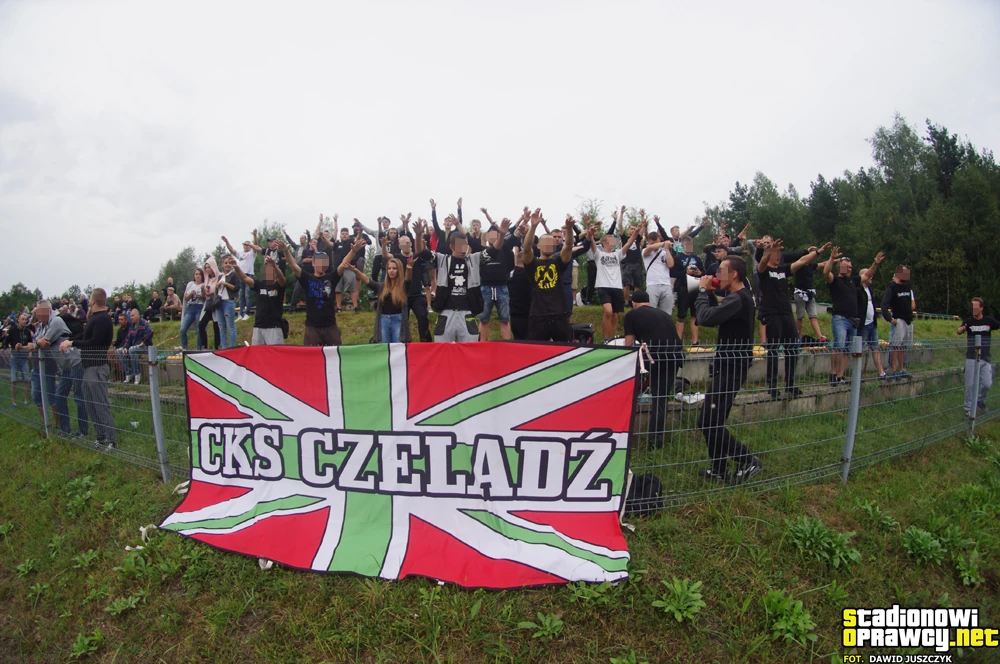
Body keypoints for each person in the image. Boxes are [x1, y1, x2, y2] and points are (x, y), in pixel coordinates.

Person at [694, 257, 762, 484]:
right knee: (713, 420)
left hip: (730, 369)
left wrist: (702, 292)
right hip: (729, 366)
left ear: (734, 274)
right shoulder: (739, 298)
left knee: (708, 421)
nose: (716, 274)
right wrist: (710, 294)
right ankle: (719, 469)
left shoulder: (738, 298)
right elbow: (718, 313)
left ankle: (747, 459)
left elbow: (705, 318)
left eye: (721, 271)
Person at [757, 240, 829, 399]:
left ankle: (790, 384)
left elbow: (802, 261)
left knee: (792, 349)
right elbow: (761, 263)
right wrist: (769, 250)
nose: (778, 257)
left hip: (787, 314)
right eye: (775, 254)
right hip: (772, 314)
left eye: (779, 254)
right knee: (773, 350)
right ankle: (772, 386)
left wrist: (817, 252)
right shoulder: (764, 271)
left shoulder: (783, 269)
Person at [419, 200, 496, 343]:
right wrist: (418, 235)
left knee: (471, 352)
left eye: (465, 245)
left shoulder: (474, 259)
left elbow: (494, 251)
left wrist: (501, 234)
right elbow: (421, 252)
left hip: (467, 313)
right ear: (451, 246)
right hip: (445, 312)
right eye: (460, 245)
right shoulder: (442, 259)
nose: (463, 248)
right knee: (441, 351)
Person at [623, 290, 683, 448]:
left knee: (638, 392)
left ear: (633, 303)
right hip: (675, 356)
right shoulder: (664, 314)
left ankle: (634, 436)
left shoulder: (631, 315)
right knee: (661, 399)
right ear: (649, 302)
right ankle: (656, 441)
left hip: (656, 357)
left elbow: (628, 346)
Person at [60, 288, 116, 447]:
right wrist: (69, 341)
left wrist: (72, 343)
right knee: (91, 405)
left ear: (92, 301)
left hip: (97, 367)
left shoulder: (103, 319)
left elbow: (94, 342)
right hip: (88, 367)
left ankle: (111, 440)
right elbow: (85, 337)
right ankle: (101, 436)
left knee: (100, 405)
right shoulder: (94, 318)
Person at [283, 237, 361, 346]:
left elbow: (343, 263)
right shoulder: (307, 278)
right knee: (310, 355)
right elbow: (294, 266)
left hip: (330, 326)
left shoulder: (331, 278)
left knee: (335, 353)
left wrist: (353, 251)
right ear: (313, 263)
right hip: (312, 327)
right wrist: (286, 251)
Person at [34, 300, 89, 437]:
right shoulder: (43, 325)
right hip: (65, 366)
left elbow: (44, 343)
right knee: (59, 396)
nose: (36, 315)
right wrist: (37, 343)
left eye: (38, 311)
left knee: (78, 396)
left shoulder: (56, 322)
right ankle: (65, 430)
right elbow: (36, 340)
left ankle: (83, 431)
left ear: (46, 310)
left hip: (75, 361)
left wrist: (38, 343)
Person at [522, 212, 574, 341]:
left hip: (559, 313)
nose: (548, 245)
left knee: (565, 349)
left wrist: (569, 229)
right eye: (545, 242)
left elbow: (568, 246)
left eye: (551, 243)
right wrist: (533, 226)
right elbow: (526, 248)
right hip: (538, 315)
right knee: (537, 350)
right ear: (538, 245)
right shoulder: (533, 263)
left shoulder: (558, 262)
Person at [347, 244, 410, 343]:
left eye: (394, 268)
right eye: (389, 268)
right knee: (384, 347)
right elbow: (367, 280)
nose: (391, 271)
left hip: (398, 320)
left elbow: (409, 278)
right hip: (383, 320)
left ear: (399, 270)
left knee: (398, 347)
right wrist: (355, 270)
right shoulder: (381, 287)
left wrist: (409, 267)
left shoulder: (404, 286)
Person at [592, 219, 643, 341]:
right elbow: (591, 242)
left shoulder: (617, 254)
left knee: (615, 315)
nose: (614, 241)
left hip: (617, 287)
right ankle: (605, 339)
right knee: (608, 312)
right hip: (604, 286)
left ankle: (611, 340)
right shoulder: (599, 254)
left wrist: (636, 232)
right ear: (605, 242)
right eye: (612, 239)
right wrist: (590, 229)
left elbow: (629, 243)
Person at [476, 210, 516, 341]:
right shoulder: (482, 251)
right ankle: (482, 344)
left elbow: (514, 236)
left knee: (505, 319)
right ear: (487, 237)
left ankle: (506, 345)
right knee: (483, 319)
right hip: (485, 287)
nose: (493, 237)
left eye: (496, 235)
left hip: (502, 287)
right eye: (491, 235)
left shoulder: (505, 249)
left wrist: (523, 220)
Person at [824, 247, 861, 385]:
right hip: (840, 318)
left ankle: (841, 376)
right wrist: (832, 258)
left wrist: (875, 264)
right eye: (847, 266)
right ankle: (833, 374)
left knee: (847, 349)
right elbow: (826, 272)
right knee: (838, 346)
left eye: (851, 267)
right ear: (840, 267)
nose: (849, 269)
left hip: (853, 319)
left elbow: (867, 275)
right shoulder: (834, 280)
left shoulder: (852, 281)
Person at [958, 297, 1000, 418]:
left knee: (987, 384)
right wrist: (961, 329)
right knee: (970, 385)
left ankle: (980, 401)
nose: (974, 309)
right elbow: (959, 330)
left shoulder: (989, 321)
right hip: (972, 357)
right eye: (973, 307)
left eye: (976, 307)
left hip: (985, 358)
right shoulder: (968, 322)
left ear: (981, 308)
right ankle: (968, 410)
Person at [233, 253, 286, 346]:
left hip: (274, 327)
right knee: (257, 354)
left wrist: (274, 266)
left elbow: (282, 278)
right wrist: (236, 267)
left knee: (274, 354)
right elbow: (244, 278)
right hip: (258, 326)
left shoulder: (278, 285)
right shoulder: (259, 285)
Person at [882, 266, 916, 378]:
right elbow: (884, 305)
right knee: (896, 345)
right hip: (898, 320)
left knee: (903, 346)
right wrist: (890, 319)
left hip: (908, 320)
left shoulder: (907, 288)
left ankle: (902, 369)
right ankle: (894, 369)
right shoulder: (892, 288)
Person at [672, 237, 706, 345]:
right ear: (682, 245)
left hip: (695, 287)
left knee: (695, 314)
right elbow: (673, 273)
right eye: (687, 244)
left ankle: (695, 341)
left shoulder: (696, 258)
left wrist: (699, 273)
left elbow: (704, 272)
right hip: (683, 287)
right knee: (681, 314)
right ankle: (678, 341)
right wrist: (685, 272)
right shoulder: (678, 258)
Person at [858, 253, 887, 378]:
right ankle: (857, 375)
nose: (871, 277)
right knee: (859, 349)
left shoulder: (870, 290)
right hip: (863, 325)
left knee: (876, 348)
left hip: (872, 324)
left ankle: (881, 372)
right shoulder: (858, 290)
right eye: (869, 275)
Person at [642, 219, 676, 315]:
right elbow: (650, 248)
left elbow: (671, 264)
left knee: (666, 314)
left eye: (656, 242)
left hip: (666, 284)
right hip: (652, 284)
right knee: (650, 313)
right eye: (652, 243)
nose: (654, 245)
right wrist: (663, 243)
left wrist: (667, 249)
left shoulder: (664, 252)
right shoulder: (646, 251)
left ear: (659, 240)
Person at [793, 250, 827, 342]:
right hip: (800, 293)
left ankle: (820, 336)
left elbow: (823, 264)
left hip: (810, 293)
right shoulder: (799, 265)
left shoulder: (811, 266)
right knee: (800, 316)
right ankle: (797, 337)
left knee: (813, 316)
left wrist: (834, 260)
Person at [222, 236, 257, 321]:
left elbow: (255, 246)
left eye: (247, 245)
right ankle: (241, 314)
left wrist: (255, 236)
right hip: (240, 276)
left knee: (247, 295)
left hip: (249, 275)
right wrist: (226, 242)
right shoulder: (240, 254)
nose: (245, 246)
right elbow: (231, 250)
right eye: (244, 245)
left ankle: (247, 313)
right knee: (241, 296)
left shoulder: (252, 253)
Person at [119, 308, 154, 385]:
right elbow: (128, 338)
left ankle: (137, 374)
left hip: (145, 347)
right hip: (134, 347)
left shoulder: (144, 323)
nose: (131, 317)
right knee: (120, 350)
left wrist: (143, 342)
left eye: (133, 315)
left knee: (132, 349)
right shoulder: (132, 326)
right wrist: (125, 347)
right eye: (130, 316)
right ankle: (129, 373)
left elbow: (150, 332)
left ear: (138, 315)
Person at [197, 259, 226, 351]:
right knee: (201, 324)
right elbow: (204, 293)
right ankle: (204, 346)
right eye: (206, 268)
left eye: (209, 267)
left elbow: (222, 291)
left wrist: (214, 293)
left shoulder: (220, 276)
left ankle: (217, 347)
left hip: (216, 304)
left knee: (216, 326)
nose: (207, 269)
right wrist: (204, 291)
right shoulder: (207, 279)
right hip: (208, 304)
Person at [5, 313, 32, 407]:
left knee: (26, 379)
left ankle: (25, 400)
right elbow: (6, 342)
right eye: (23, 319)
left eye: (26, 319)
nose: (24, 321)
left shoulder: (27, 331)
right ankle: (13, 402)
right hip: (15, 357)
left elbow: (30, 343)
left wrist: (28, 351)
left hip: (24, 358)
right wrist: (10, 349)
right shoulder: (12, 330)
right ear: (18, 320)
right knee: (14, 379)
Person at [180, 268, 206, 350]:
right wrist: (191, 293)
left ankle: (198, 349)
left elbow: (206, 299)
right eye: (196, 274)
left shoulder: (204, 285)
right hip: (191, 308)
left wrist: (200, 296)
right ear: (194, 276)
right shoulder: (190, 285)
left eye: (199, 274)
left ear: (202, 276)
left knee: (199, 330)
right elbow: (186, 298)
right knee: (182, 330)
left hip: (200, 307)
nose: (198, 276)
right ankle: (184, 348)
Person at [220, 256, 239, 348]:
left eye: (229, 263)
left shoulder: (234, 275)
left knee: (230, 326)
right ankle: (224, 347)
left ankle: (232, 347)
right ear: (222, 264)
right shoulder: (220, 276)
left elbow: (236, 288)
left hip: (228, 301)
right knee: (221, 327)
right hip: (219, 302)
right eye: (226, 263)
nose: (227, 265)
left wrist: (226, 284)